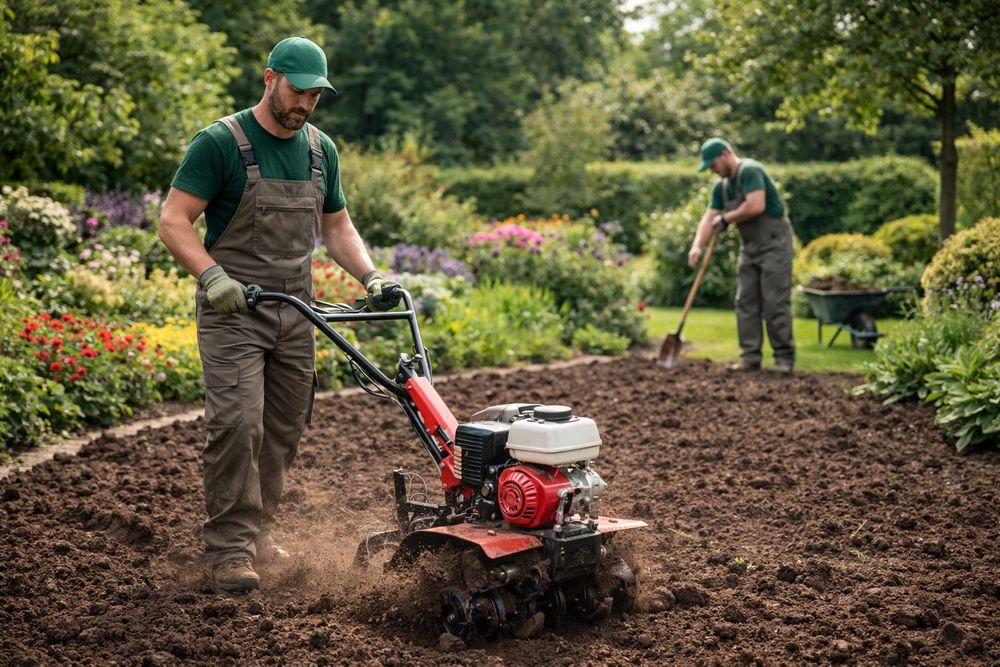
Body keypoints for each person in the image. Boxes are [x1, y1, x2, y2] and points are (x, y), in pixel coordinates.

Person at [159, 36, 399, 593]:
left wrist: (372, 276)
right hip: (234, 309)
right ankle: (229, 548)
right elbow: (173, 220)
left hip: (296, 310)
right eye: (298, 91)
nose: (306, 104)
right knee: (238, 423)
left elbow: (336, 227)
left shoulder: (320, 149)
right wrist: (212, 277)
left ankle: (258, 532)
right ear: (270, 79)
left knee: (283, 430)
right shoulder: (221, 143)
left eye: (315, 96)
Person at [687, 137, 795, 373]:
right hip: (750, 247)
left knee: (774, 302)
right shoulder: (722, 187)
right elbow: (709, 216)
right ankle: (750, 357)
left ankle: (784, 359)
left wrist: (726, 219)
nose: (713, 170)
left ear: (725, 154)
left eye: (713, 164)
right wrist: (697, 246)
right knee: (745, 302)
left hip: (774, 244)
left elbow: (756, 205)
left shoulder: (751, 171)